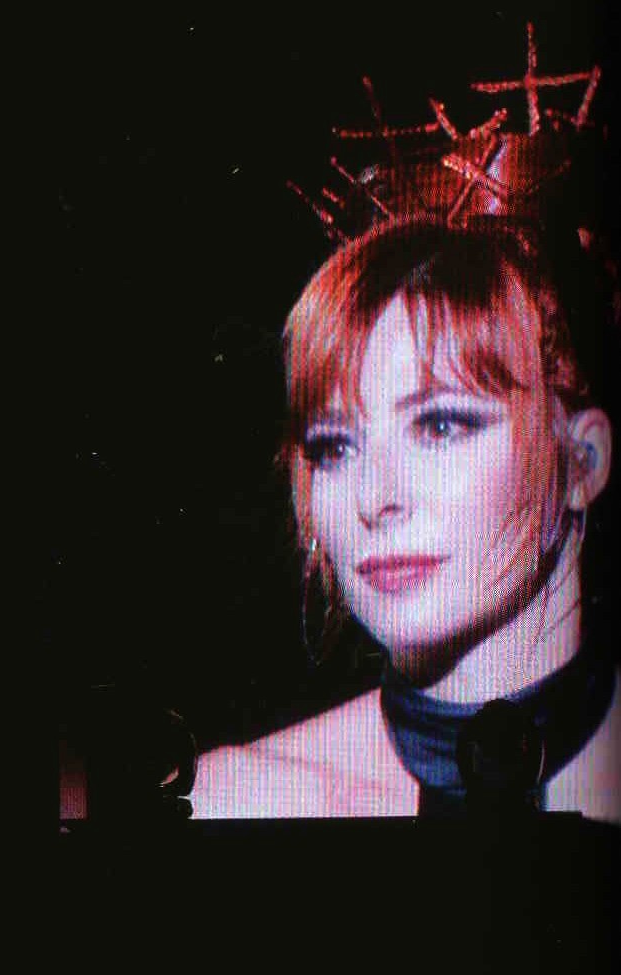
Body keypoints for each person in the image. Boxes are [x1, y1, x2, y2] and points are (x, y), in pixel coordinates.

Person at [193, 52, 620, 821]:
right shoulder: (236, 803)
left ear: (580, 458)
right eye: (333, 446)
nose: (375, 499)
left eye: (442, 422)